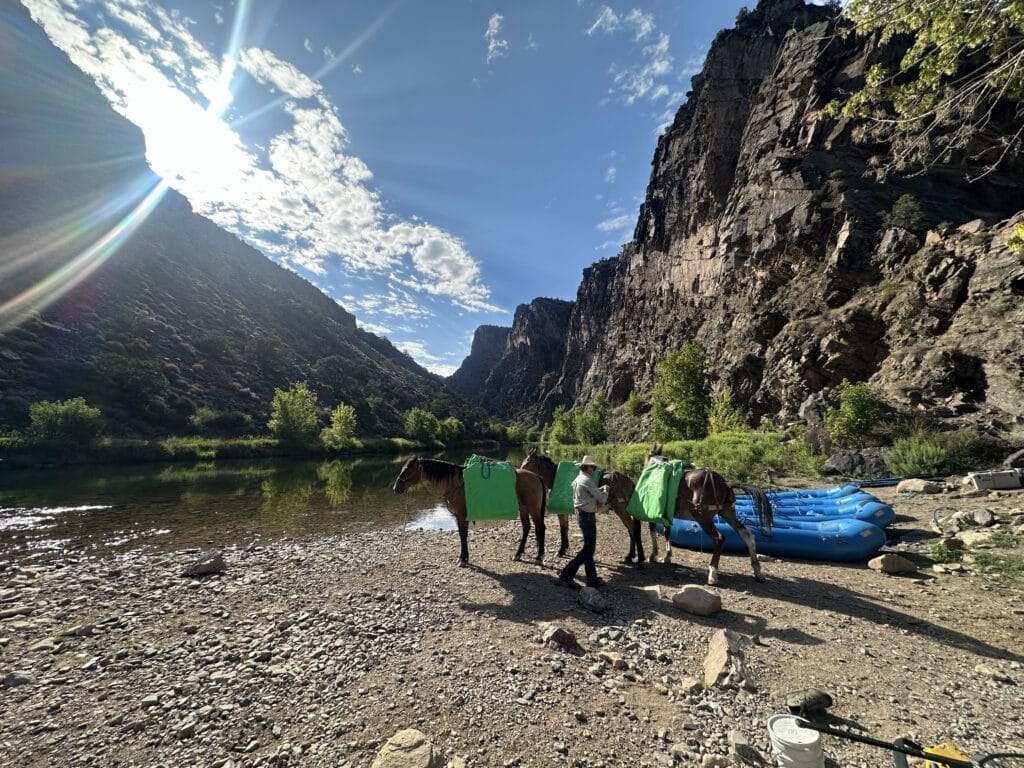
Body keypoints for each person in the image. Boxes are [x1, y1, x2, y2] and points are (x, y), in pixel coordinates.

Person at [554, 455, 609, 589]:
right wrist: (606, 490)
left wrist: (598, 489)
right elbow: (602, 499)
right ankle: (566, 575)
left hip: (581, 515)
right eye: (593, 467)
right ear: (587, 467)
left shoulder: (579, 478)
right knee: (588, 549)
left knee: (588, 548)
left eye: (594, 467)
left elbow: (588, 493)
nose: (594, 469)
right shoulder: (587, 481)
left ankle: (592, 581)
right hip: (587, 516)